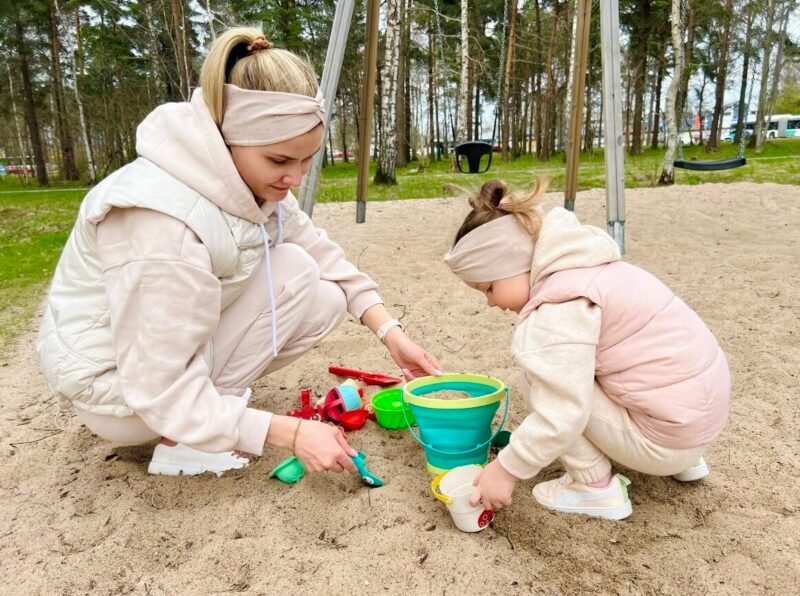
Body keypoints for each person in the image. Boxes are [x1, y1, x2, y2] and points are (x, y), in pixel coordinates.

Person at [37, 27, 442, 478]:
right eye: (280, 161)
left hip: (157, 362)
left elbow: (323, 254)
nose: (295, 178)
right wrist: (287, 432)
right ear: (228, 137)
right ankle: (182, 441)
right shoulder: (160, 221)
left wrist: (391, 333)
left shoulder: (249, 182)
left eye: (306, 161)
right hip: (119, 394)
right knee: (295, 273)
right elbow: (158, 386)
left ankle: (211, 414)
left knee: (318, 288)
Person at [444, 179, 730, 520]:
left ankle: (595, 488)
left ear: (512, 262)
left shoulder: (560, 304)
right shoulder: (590, 266)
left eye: (489, 288)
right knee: (588, 367)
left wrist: (504, 470)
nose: (491, 303)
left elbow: (562, 413)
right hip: (698, 424)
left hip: (666, 442)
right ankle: (683, 461)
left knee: (540, 380)